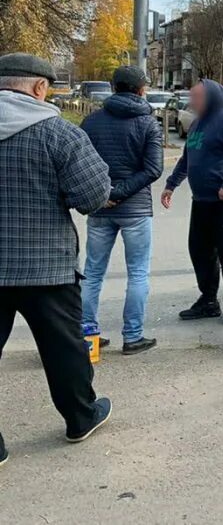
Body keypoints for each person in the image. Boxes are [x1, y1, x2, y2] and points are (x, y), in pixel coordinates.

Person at [0, 53, 114, 462]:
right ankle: (80, 418)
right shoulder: (58, 134)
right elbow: (93, 197)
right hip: (45, 266)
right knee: (64, 349)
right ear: (38, 87)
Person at [80, 66, 164, 355]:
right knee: (138, 273)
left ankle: (86, 334)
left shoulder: (90, 122)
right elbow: (153, 169)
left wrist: (105, 193)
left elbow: (80, 165)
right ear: (141, 90)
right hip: (136, 210)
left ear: (113, 87)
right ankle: (132, 336)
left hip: (100, 208)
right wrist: (121, 192)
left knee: (92, 273)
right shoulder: (148, 123)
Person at [162, 79, 223, 320]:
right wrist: (171, 185)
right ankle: (208, 300)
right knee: (200, 251)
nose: (192, 101)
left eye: (197, 97)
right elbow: (186, 158)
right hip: (201, 201)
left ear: (211, 98)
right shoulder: (197, 123)